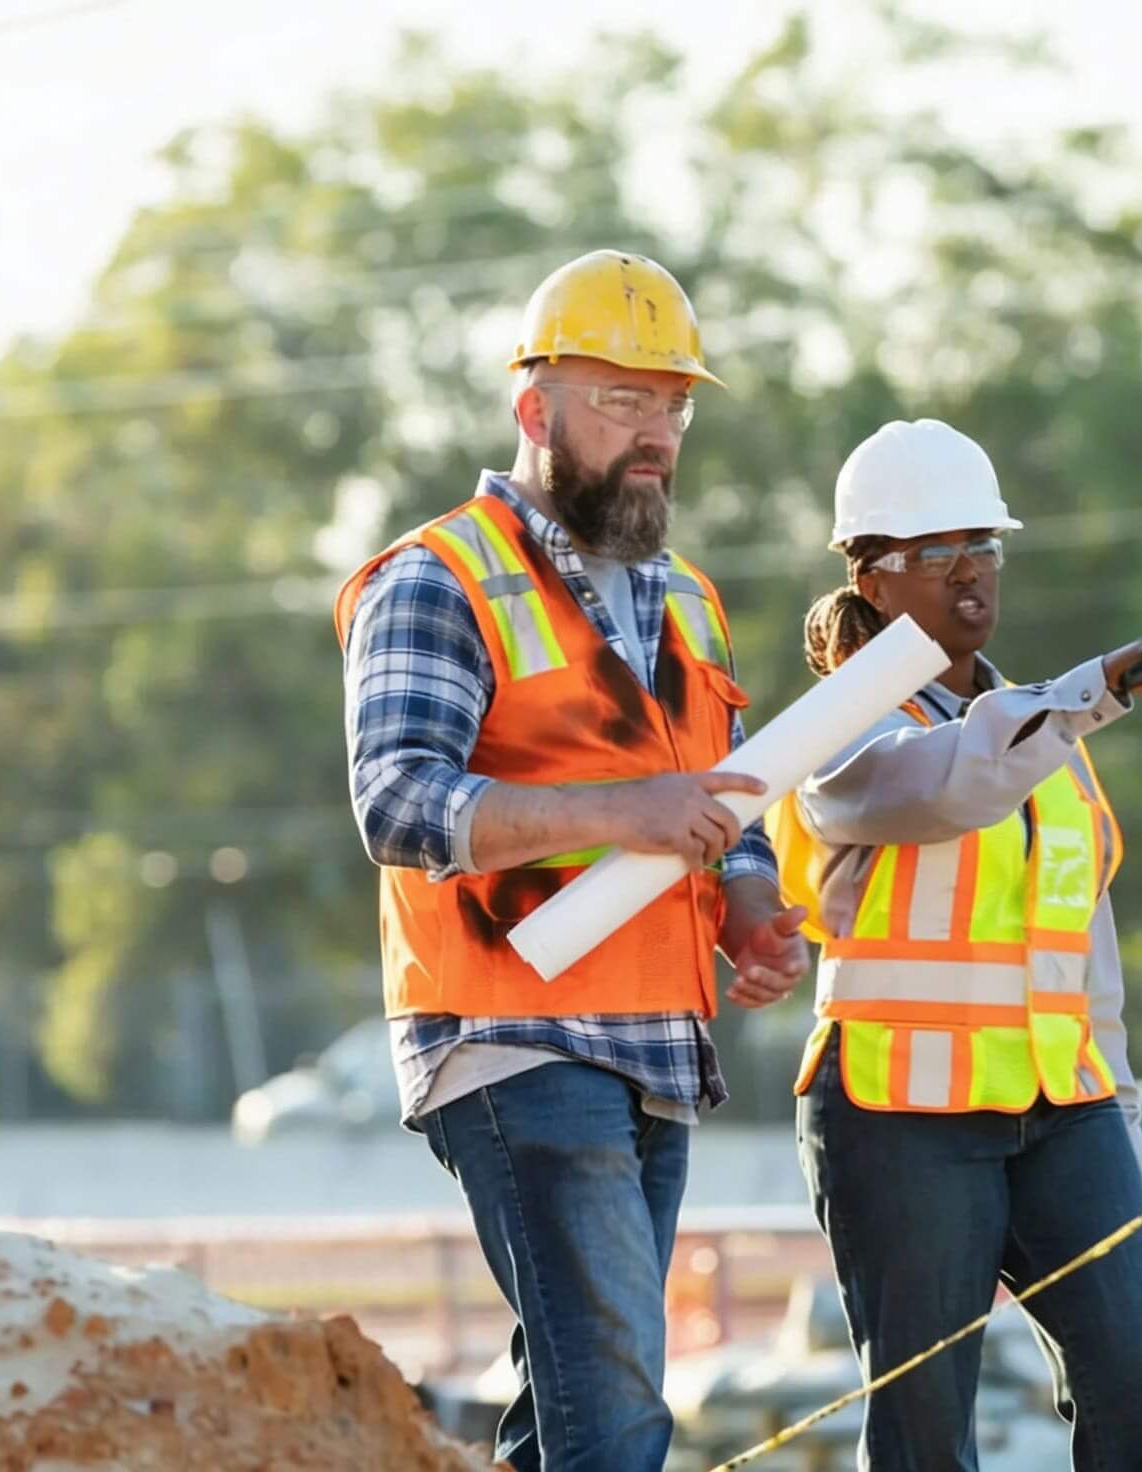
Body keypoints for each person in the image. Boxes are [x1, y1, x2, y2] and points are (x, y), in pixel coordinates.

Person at [333, 249, 811, 1471]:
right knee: (617, 1416)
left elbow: (726, 800)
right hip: (513, 1035)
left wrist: (748, 904)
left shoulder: (688, 601)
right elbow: (396, 801)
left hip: (655, 1040)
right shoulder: (438, 578)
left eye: (671, 405)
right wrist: (624, 811)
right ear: (533, 408)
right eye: (619, 402)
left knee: (574, 1410)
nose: (654, 434)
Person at [769, 418, 1142, 1468]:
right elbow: (950, 780)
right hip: (900, 1117)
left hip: (1064, 1116)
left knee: (1140, 1395)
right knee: (928, 1433)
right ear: (871, 580)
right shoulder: (841, 731)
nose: (968, 574)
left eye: (982, 546)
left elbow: (1081, 955)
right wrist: (1091, 688)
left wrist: (1127, 1126)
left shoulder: (1047, 737)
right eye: (933, 555)